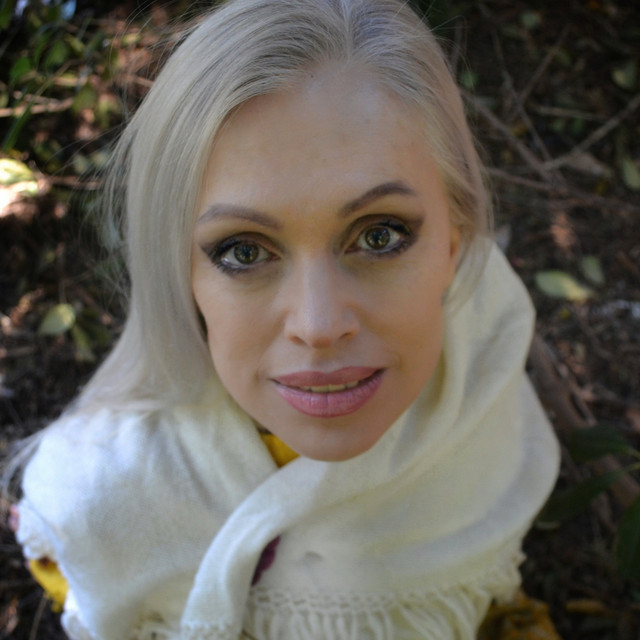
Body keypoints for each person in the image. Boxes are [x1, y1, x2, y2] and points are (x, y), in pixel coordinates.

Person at [6, 0, 560, 638]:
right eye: (243, 252)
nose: (319, 325)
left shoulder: (485, 348)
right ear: (181, 272)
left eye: (379, 235)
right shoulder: (104, 497)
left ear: (455, 244)